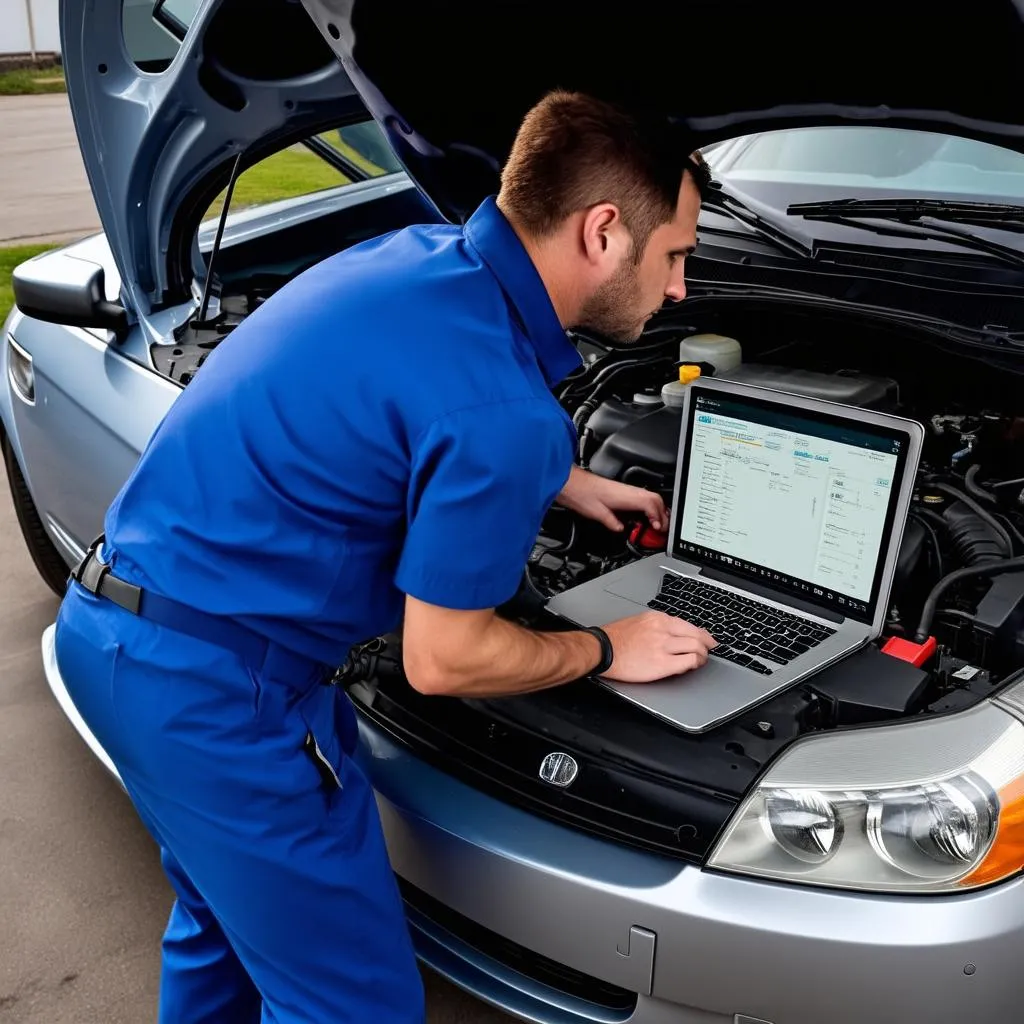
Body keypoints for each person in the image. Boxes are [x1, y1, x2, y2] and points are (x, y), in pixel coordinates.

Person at [54, 89, 716, 1023]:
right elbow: (442, 662)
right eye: (675, 255)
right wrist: (611, 646)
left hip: (113, 635)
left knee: (223, 937)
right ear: (603, 232)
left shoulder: (409, 256)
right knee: (353, 1005)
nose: (682, 288)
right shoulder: (502, 419)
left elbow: (398, 403)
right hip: (218, 706)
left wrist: (563, 480)